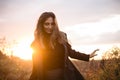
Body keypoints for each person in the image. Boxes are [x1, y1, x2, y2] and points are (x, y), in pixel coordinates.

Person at [29, 12, 99, 80]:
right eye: (46, 24)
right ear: (41, 25)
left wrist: (87, 56)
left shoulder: (61, 37)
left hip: (66, 76)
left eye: (52, 24)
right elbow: (36, 68)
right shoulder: (36, 44)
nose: (50, 27)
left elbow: (71, 52)